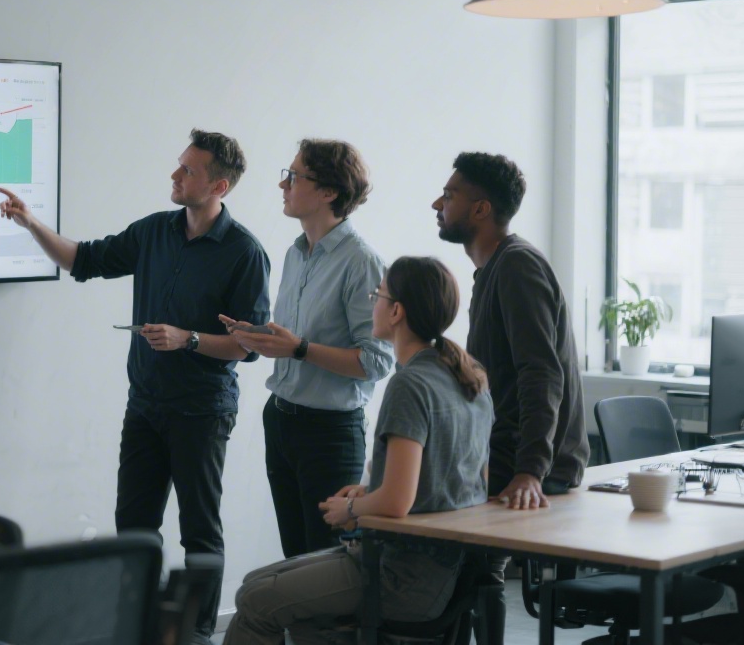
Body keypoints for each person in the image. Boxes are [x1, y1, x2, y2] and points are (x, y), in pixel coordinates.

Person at [0, 129, 271, 644]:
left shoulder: (244, 253)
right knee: (134, 527)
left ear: (220, 187)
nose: (174, 175)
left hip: (200, 411)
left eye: (187, 170)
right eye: (179, 165)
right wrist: (31, 222)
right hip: (144, 406)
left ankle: (199, 634)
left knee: (200, 532)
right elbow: (84, 259)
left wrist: (187, 339)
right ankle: (137, 626)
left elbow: (249, 346)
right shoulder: (154, 232)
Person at [223, 256, 493, 645]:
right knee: (259, 587)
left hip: (401, 574)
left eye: (377, 296)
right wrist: (369, 494)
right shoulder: (466, 376)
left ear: (396, 311)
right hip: (438, 573)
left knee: (256, 598)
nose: (373, 304)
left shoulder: (410, 385)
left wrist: (348, 509)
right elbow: (449, 481)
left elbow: (398, 502)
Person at [432, 151, 589, 643]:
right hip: (507, 457)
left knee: (466, 564)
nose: (437, 202)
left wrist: (529, 471)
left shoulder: (517, 267)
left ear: (481, 209)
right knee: (470, 570)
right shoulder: (494, 270)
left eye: (450, 194)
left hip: (527, 466)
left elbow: (541, 374)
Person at [221, 139, 393, 558]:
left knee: (325, 563)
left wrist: (298, 348)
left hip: (329, 433)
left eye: (294, 176)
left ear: (329, 192)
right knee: (295, 559)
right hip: (281, 420)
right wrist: (260, 335)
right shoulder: (296, 253)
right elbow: (300, 339)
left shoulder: (361, 261)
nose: (283, 184)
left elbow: (377, 360)